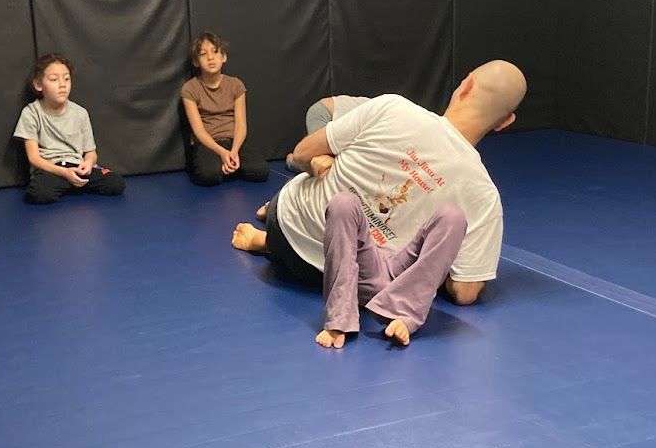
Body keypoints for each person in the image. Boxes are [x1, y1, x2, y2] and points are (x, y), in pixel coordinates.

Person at [232, 60, 527, 349]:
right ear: (505, 122)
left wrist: (325, 159)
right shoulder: (484, 194)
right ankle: (266, 240)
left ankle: (268, 239)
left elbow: (300, 153)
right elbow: (464, 292)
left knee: (324, 191)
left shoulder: (393, 107)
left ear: (465, 86)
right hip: (366, 283)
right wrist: (434, 256)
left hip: (289, 231)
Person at [13, 54, 125, 205]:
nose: (62, 85)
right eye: (54, 79)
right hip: (52, 169)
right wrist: (64, 173)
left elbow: (91, 152)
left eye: (66, 79)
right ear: (39, 85)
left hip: (77, 166)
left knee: (116, 183)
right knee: (40, 193)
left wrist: (88, 164)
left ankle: (74, 183)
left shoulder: (80, 113)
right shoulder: (31, 113)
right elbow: (34, 158)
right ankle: (69, 184)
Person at [181, 32, 269, 186]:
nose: (210, 57)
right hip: (208, 144)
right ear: (196, 61)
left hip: (233, 141)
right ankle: (225, 166)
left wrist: (233, 151)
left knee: (260, 171)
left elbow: (241, 124)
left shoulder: (236, 85)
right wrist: (221, 152)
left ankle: (230, 165)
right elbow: (199, 131)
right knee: (209, 175)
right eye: (203, 54)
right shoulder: (189, 89)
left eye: (215, 52)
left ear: (223, 57)